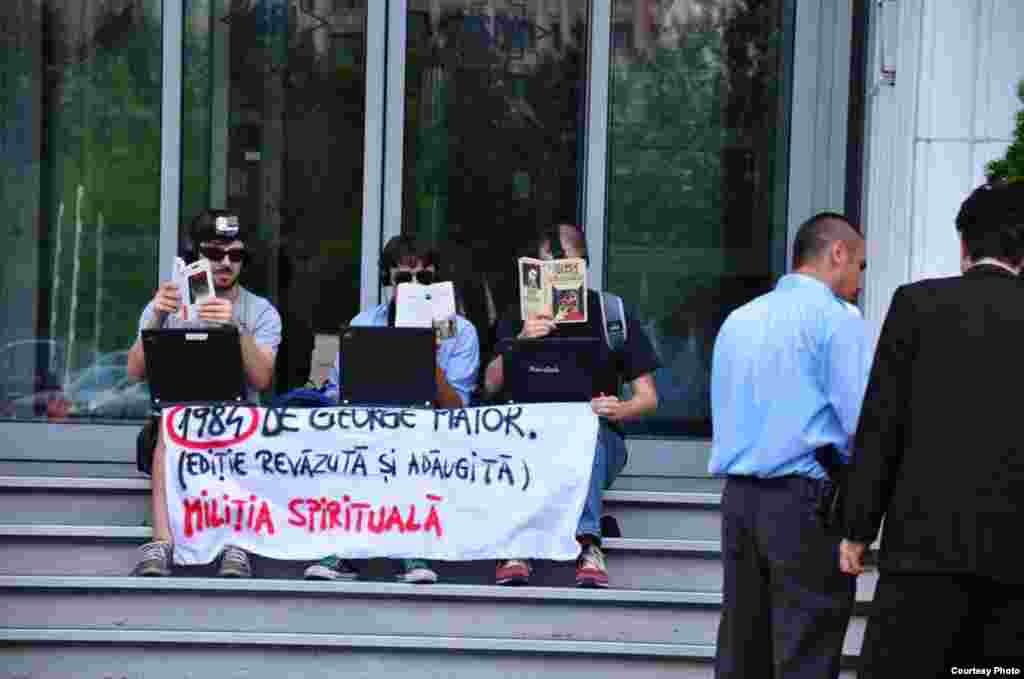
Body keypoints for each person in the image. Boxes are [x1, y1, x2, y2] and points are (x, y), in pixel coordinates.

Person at [839, 181, 1024, 674]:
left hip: (923, 557)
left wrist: (857, 528)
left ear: (964, 247)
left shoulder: (917, 306)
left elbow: (882, 426)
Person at [709, 212, 870, 678]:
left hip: (738, 501)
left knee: (742, 646)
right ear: (837, 253)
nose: (860, 279)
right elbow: (860, 419)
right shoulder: (837, 318)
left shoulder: (740, 319)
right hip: (804, 498)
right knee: (808, 646)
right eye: (860, 265)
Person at [483, 223, 660, 588]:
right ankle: (517, 545)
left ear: (583, 265)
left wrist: (617, 409)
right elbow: (488, 384)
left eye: (565, 263)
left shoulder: (611, 314)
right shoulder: (518, 315)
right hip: (530, 436)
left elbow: (647, 398)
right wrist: (519, 341)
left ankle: (588, 543)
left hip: (593, 438)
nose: (556, 272)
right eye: (547, 265)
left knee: (588, 436)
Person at [304, 234, 480, 584]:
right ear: (388, 281)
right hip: (368, 428)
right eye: (404, 278)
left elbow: (457, 409)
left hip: (432, 433)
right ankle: (348, 550)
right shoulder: (364, 324)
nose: (414, 287)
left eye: (424, 279)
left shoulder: (461, 332)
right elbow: (338, 395)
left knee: (407, 436)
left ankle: (404, 549)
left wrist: (427, 356)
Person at [128, 209, 283, 578]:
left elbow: (262, 379)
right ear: (195, 255)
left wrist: (233, 327)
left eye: (235, 255)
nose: (225, 263)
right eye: (214, 254)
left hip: (237, 417)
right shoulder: (165, 303)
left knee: (239, 426)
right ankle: (162, 543)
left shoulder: (261, 311)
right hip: (178, 419)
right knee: (171, 423)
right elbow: (133, 371)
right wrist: (156, 318)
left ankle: (235, 544)